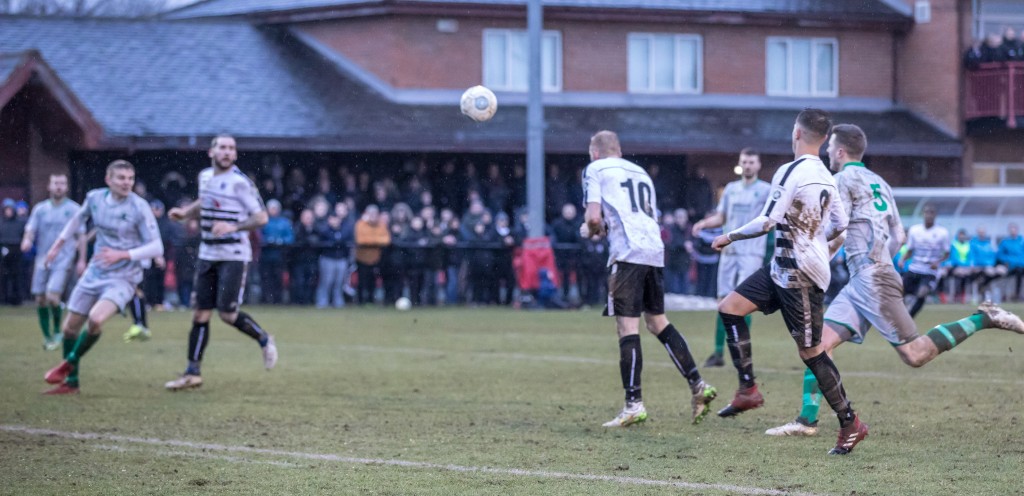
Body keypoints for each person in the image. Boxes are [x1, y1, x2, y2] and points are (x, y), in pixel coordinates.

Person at [764, 124, 1024, 438]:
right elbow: (899, 236)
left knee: (915, 355)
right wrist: (876, 261)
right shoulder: (881, 183)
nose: (828, 153)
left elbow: (837, 228)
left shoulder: (840, 180)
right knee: (819, 345)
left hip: (872, 279)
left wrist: (819, 260)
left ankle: (984, 318)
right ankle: (807, 421)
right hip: (867, 276)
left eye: (831, 148)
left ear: (841, 151)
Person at [710, 109, 868, 455]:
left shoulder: (791, 170)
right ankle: (748, 390)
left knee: (811, 352)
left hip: (799, 273)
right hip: (782, 266)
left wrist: (729, 237)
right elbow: (841, 224)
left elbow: (768, 221)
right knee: (731, 309)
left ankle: (850, 422)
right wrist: (817, 245)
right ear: (824, 138)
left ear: (796, 132)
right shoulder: (827, 176)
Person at [581, 130, 717, 427]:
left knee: (627, 327)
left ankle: (633, 404)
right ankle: (699, 385)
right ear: (618, 149)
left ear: (595, 152)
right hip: (653, 250)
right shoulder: (640, 171)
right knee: (657, 322)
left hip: (627, 252)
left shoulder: (595, 169)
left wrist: (591, 229)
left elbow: (593, 219)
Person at [164, 135, 278, 391]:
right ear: (211, 152)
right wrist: (185, 213)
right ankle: (192, 372)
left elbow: (261, 218)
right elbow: (205, 202)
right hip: (208, 252)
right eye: (222, 147)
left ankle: (263, 338)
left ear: (235, 155)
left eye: (231, 148)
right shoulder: (205, 177)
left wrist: (233, 226)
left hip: (234, 254)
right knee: (200, 312)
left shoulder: (241, 183)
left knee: (227, 314)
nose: (227, 152)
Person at [40, 160, 164, 394]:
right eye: (121, 178)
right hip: (94, 273)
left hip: (124, 277)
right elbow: (77, 219)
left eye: (130, 178)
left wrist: (122, 254)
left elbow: (157, 247)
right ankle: (71, 383)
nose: (127, 183)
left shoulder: (139, 207)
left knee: (96, 320)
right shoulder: (95, 198)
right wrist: (58, 244)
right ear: (108, 180)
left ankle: (68, 364)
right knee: (69, 329)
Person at [691, 148, 771, 367]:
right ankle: (718, 353)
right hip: (729, 251)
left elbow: (770, 220)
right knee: (723, 301)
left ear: (758, 165)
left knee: (744, 302)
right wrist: (704, 223)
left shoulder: (766, 191)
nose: (747, 165)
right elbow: (722, 217)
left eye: (751, 162)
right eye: (744, 161)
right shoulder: (731, 190)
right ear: (740, 163)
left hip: (751, 252)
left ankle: (741, 351)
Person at [20, 174, 86, 350]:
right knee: (40, 299)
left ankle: (58, 331)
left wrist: (81, 260)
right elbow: (30, 229)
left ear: (66, 187)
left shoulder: (74, 209)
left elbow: (81, 235)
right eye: (56, 183)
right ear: (49, 186)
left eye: (62, 183)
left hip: (64, 259)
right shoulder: (40, 209)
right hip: (42, 259)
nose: (59, 186)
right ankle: (47, 336)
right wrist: (27, 240)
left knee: (52, 296)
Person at [899, 204, 950, 317]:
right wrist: (902, 259)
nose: (929, 216)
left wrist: (937, 262)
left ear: (935, 216)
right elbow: (910, 250)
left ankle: (910, 316)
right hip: (914, 268)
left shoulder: (942, 232)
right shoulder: (914, 230)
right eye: (927, 213)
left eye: (931, 213)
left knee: (922, 293)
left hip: (929, 270)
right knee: (899, 292)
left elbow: (947, 253)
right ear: (923, 214)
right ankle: (901, 316)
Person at [354, 204, 391, 305]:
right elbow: (361, 240)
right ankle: (360, 302)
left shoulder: (381, 224)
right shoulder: (360, 224)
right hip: (362, 258)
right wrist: (377, 240)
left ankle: (370, 301)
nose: (373, 216)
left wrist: (370, 240)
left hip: (376, 258)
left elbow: (387, 240)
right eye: (371, 213)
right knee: (362, 281)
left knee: (373, 281)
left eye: (375, 214)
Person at [0, 198, 27, 305]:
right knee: (4, 276)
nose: (8, 212)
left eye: (10, 209)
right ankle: (4, 298)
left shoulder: (20, 223)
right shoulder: (1, 222)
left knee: (17, 275)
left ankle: (17, 299)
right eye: (7, 209)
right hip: (3, 251)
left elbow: (23, 236)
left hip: (17, 252)